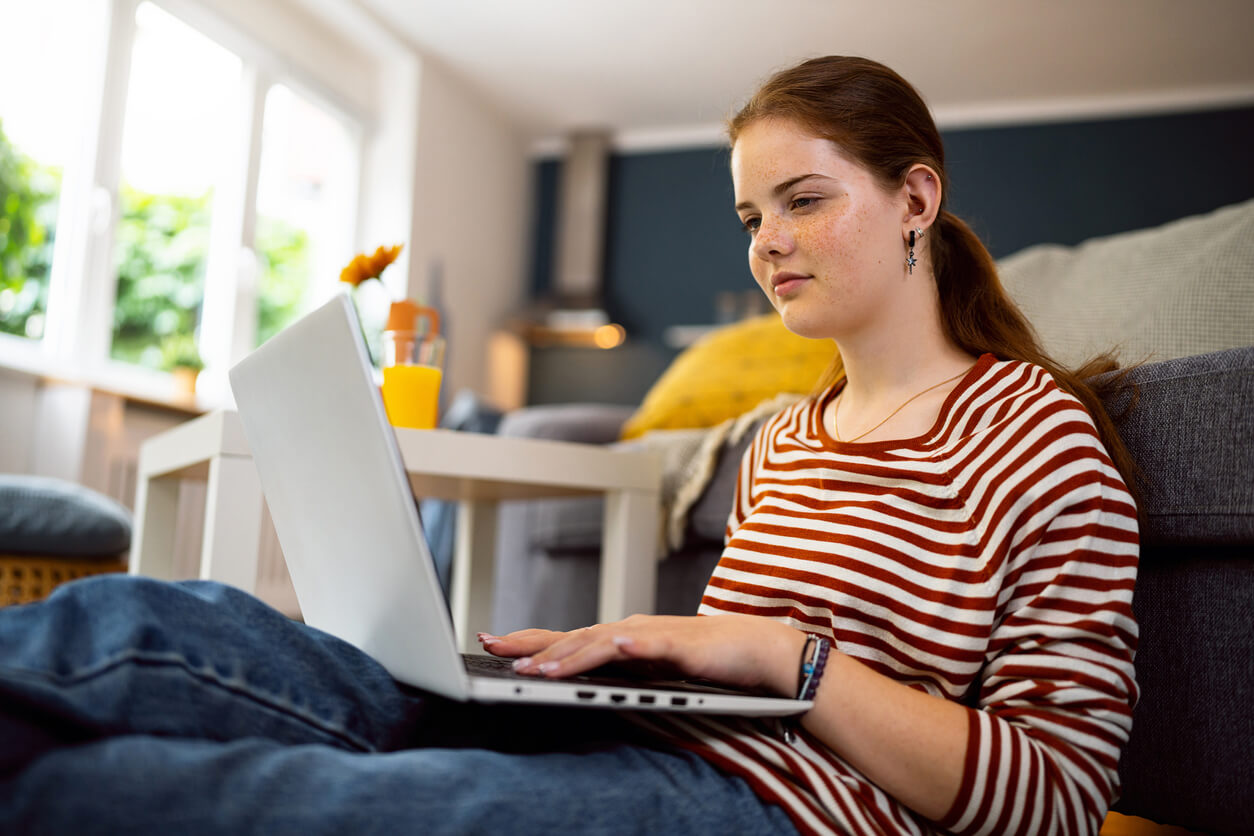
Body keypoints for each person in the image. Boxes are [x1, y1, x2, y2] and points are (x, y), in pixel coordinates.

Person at [0, 56, 1138, 836]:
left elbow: (1058, 796)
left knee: (150, 789)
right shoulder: (786, 436)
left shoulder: (1040, 437)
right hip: (652, 748)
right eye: (752, 217)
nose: (770, 244)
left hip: (789, 811)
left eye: (802, 200)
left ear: (915, 200)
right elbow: (724, 663)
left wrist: (790, 659)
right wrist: (632, 655)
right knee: (173, 623)